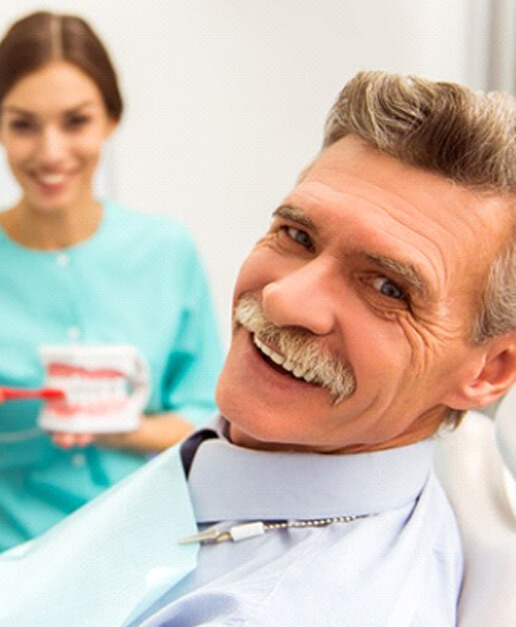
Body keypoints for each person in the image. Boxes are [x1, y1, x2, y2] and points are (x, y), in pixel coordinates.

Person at [2, 69, 516, 627]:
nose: (282, 300)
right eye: (298, 235)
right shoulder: (248, 463)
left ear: (489, 370)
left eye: (388, 288)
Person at [0, 11, 223, 552]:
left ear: (111, 120)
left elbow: (211, 418)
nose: (51, 152)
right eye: (23, 124)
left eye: (75, 121)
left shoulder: (166, 252)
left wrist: (120, 426)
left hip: (138, 550)